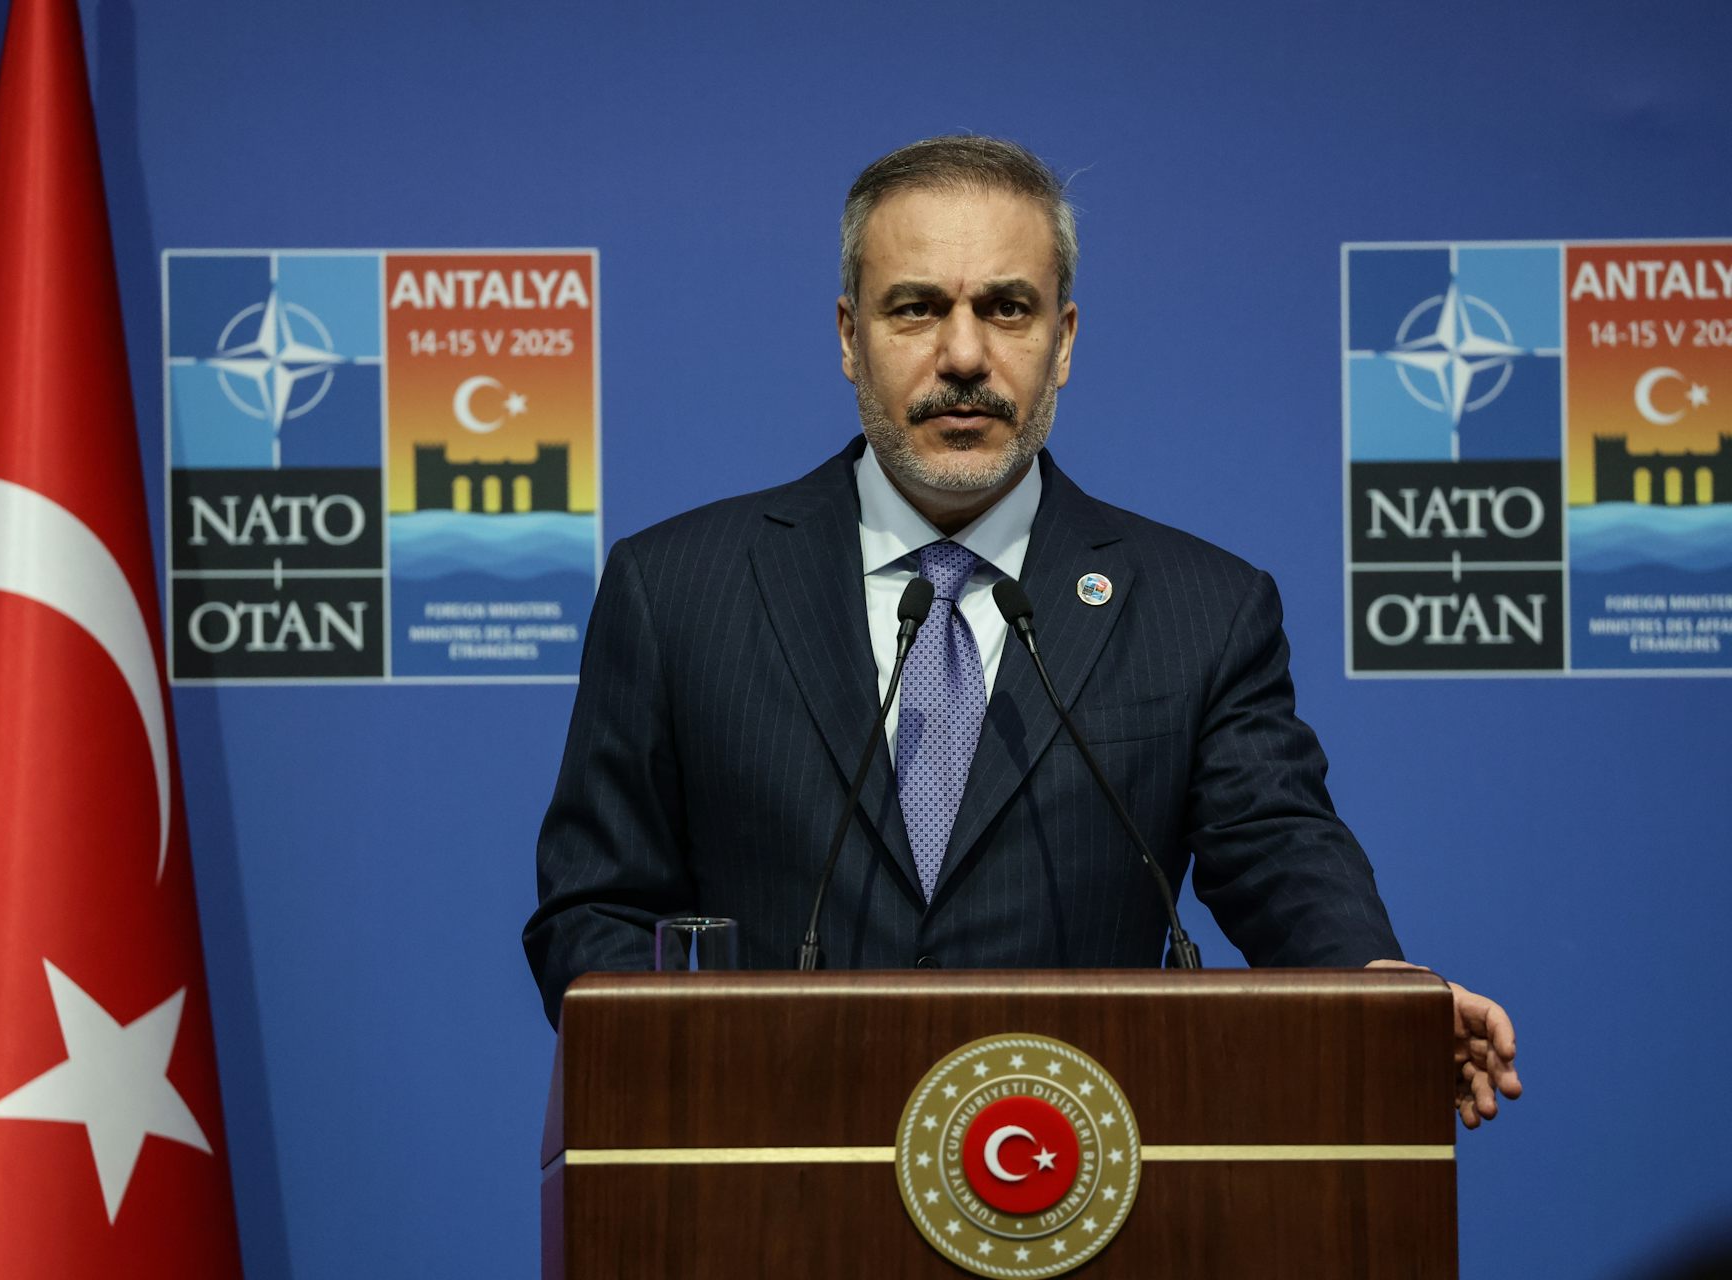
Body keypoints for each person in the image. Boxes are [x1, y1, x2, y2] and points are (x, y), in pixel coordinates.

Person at [523, 136, 1520, 1127]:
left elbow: (1276, 843)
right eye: (916, 308)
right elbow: (595, 907)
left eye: (1007, 308)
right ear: (849, 335)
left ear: (1065, 338)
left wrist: (1378, 990)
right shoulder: (678, 589)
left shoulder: (1202, 609)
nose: (964, 357)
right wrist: (697, 1085)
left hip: (1075, 1177)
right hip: (767, 1166)